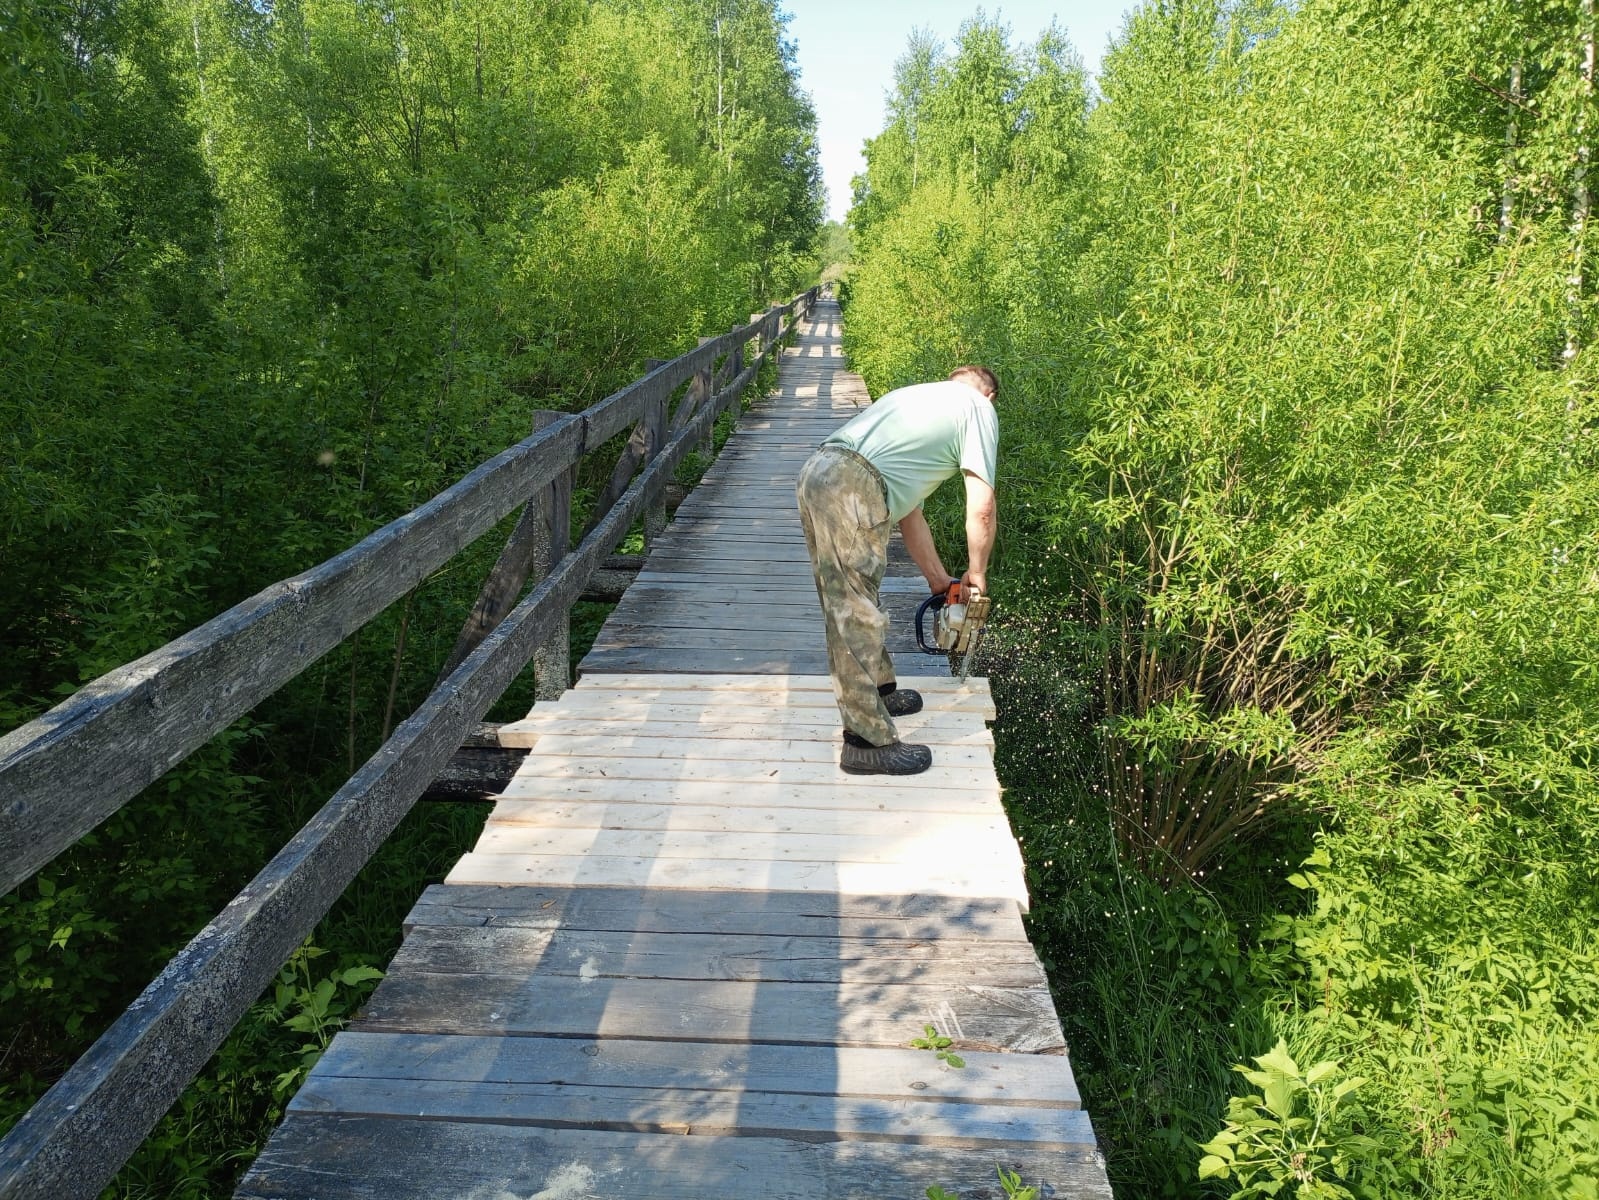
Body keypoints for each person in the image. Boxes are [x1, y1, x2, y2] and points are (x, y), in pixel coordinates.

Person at [795, 365, 999, 775]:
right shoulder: (978, 408)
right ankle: (866, 743)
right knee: (852, 611)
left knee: (853, 598)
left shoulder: (919, 397)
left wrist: (940, 581)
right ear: (990, 395)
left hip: (820, 470)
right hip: (855, 487)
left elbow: (910, 517)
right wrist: (978, 572)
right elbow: (982, 506)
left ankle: (880, 692)